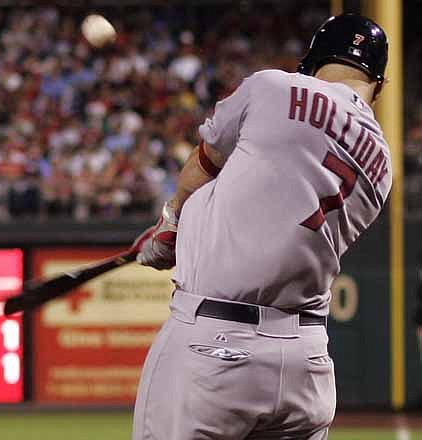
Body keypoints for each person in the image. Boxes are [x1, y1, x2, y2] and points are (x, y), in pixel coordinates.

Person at [131, 14, 390, 439]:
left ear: (312, 61)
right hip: (308, 364)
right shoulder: (383, 166)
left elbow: (205, 164)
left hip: (216, 344)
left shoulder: (275, 86)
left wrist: (170, 224)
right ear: (378, 85)